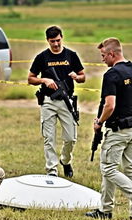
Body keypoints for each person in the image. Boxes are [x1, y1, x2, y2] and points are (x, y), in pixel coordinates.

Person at [86, 38, 132, 220]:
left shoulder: (112, 74)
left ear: (112, 54)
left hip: (120, 129)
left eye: (103, 56)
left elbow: (109, 106)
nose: (102, 60)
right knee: (130, 168)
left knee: (108, 168)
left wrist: (99, 122)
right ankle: (109, 211)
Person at [28, 25, 85, 177]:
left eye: (58, 40)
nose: (56, 44)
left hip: (67, 102)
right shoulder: (42, 57)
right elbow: (30, 78)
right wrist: (44, 80)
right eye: (52, 41)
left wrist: (76, 77)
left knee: (71, 138)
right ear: (47, 40)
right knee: (49, 138)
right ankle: (52, 171)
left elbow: (83, 76)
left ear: (62, 38)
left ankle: (65, 161)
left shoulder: (71, 55)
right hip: (48, 102)